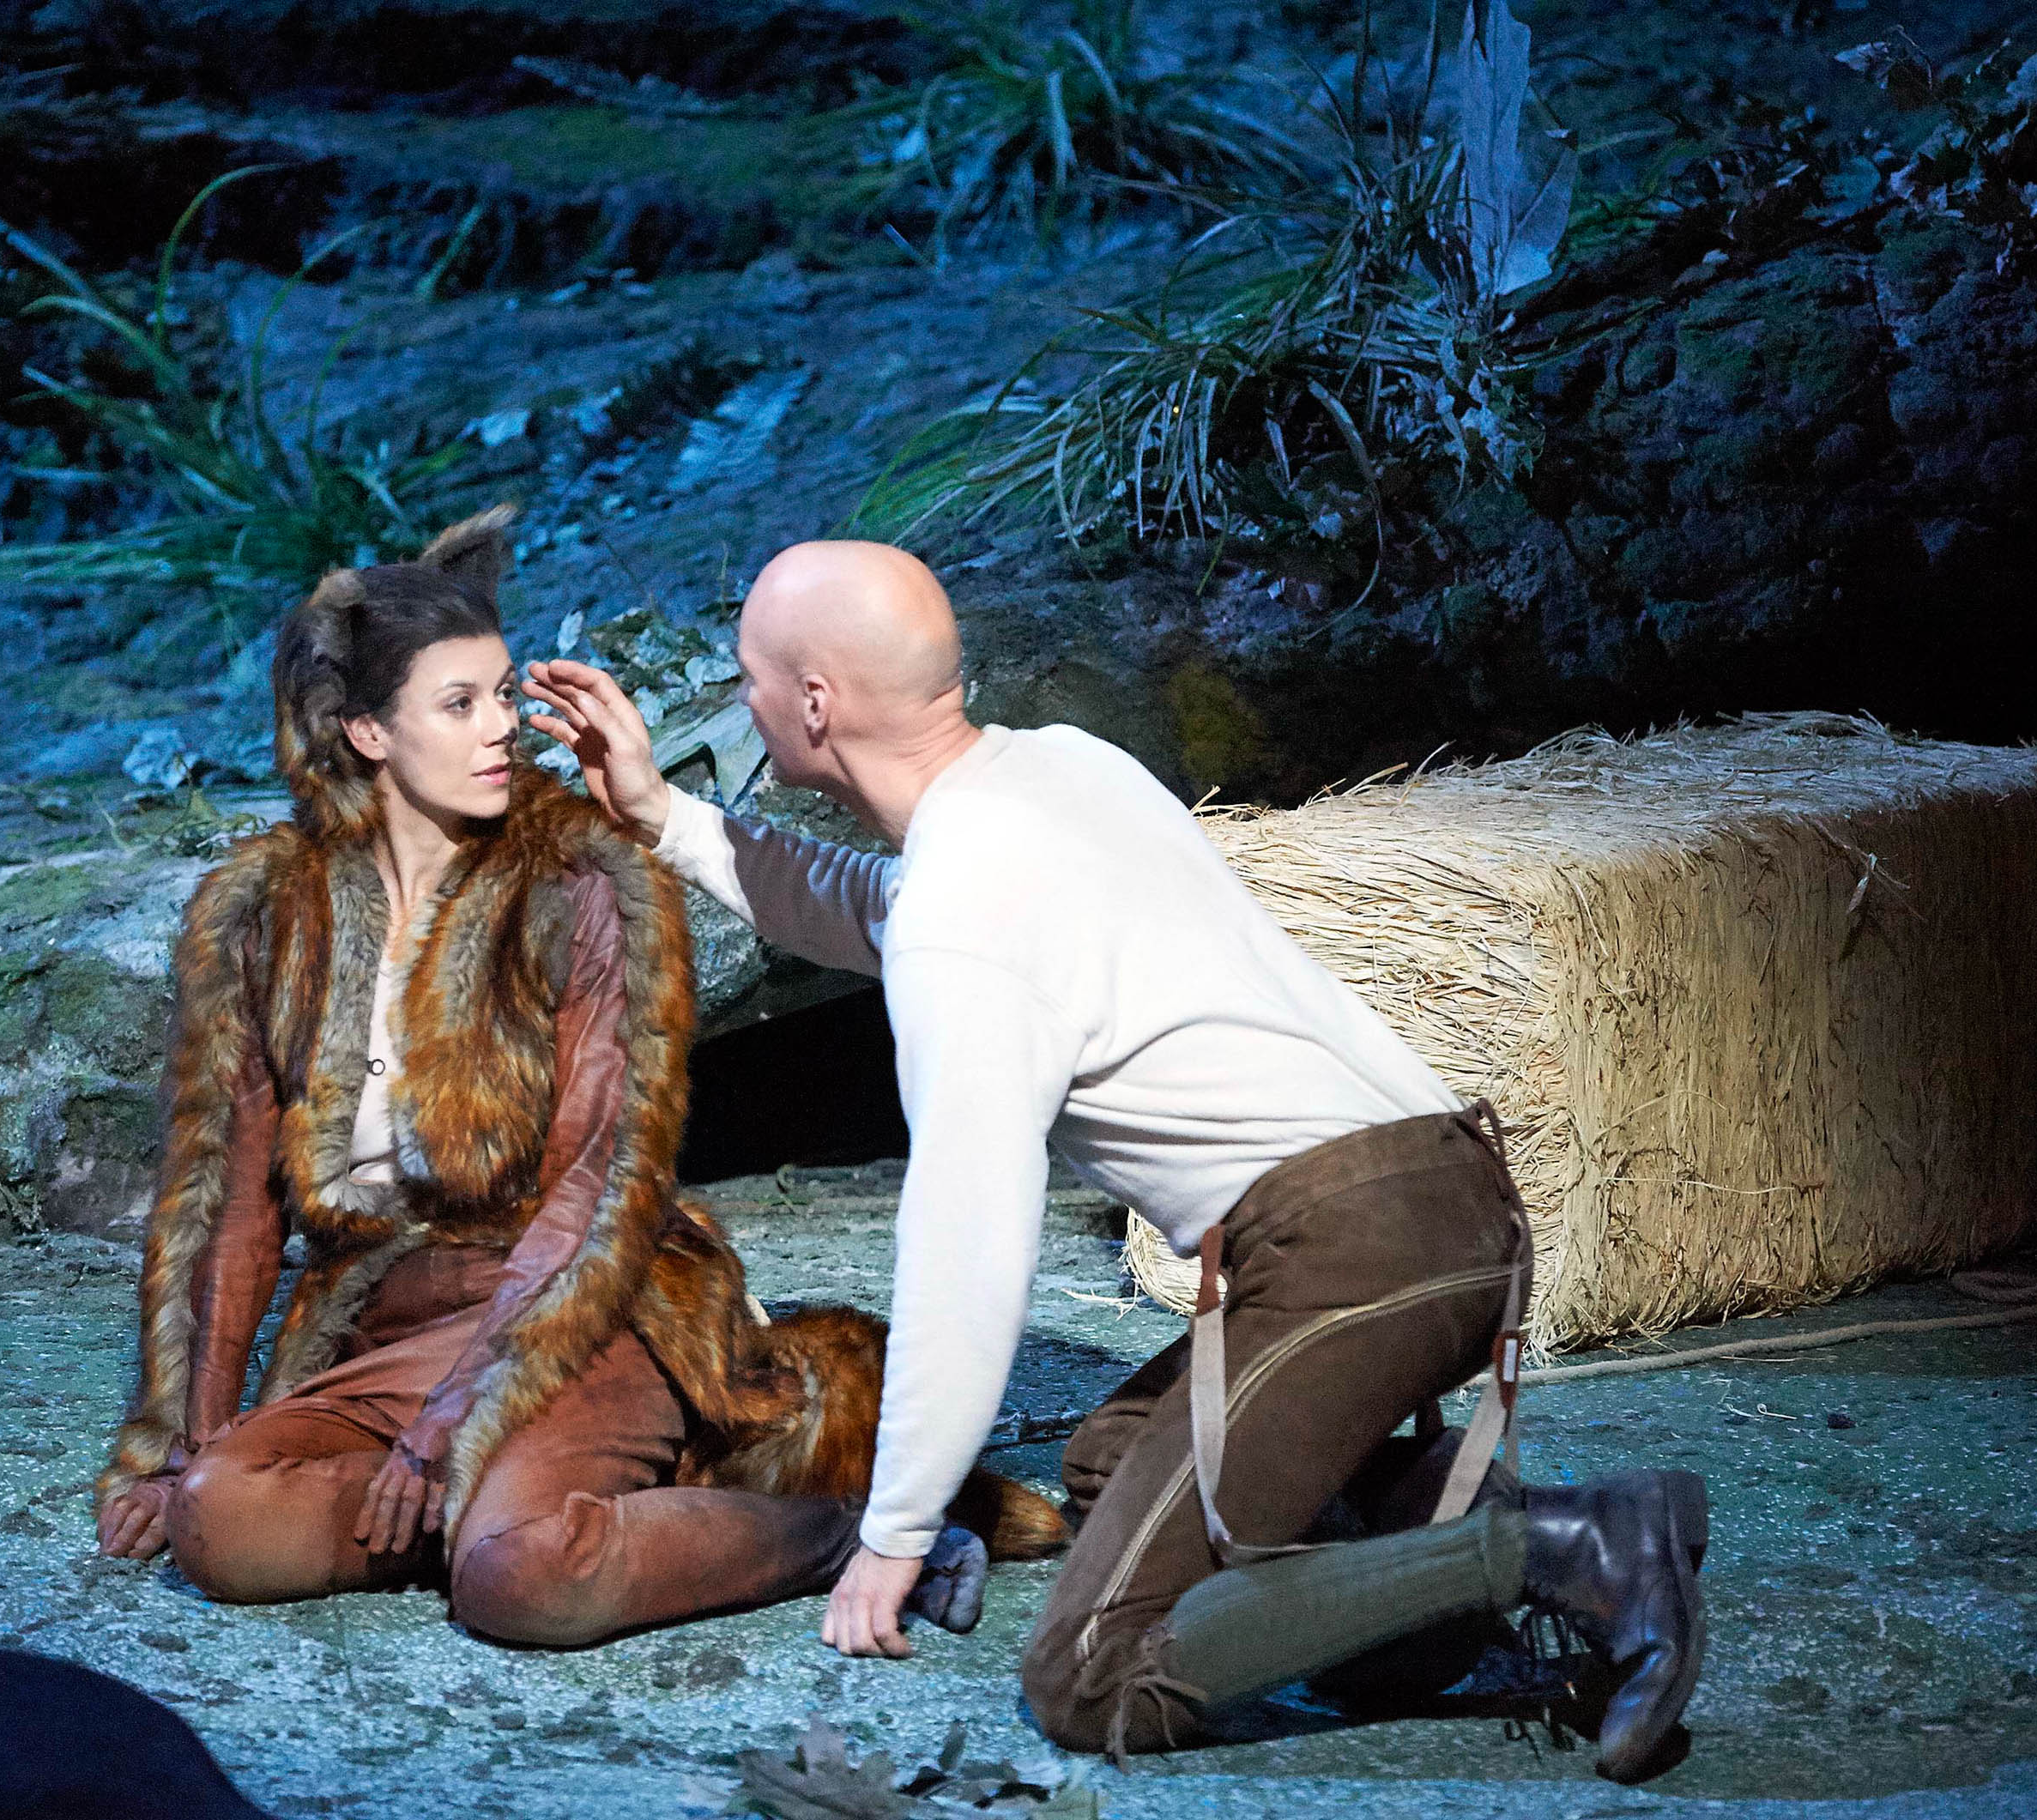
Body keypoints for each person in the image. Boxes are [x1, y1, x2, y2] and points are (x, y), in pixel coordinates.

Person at [522, 539, 1708, 1780]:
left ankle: (1570, 1547)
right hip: (1440, 1197)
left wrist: (895, 1527)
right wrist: (663, 814)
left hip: (1359, 1251)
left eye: (750, 675)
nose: (745, 698)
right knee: (1107, 1463)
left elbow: (969, 1246)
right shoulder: (1055, 773)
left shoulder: (962, 915)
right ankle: (1491, 1552)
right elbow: (874, 907)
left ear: (813, 703)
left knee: (1090, 1671)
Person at [91, 507, 1061, 1648]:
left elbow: (597, 1190)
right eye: (462, 705)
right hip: (395, 1325)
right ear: (364, 732)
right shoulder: (264, 913)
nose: (507, 726)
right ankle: (542, 1509)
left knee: (522, 1581)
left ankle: (841, 1530)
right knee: (223, 1522)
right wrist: (174, 1444)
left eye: (504, 692)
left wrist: (451, 1423)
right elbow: (228, 1199)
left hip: (587, 1303)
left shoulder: (583, 884)